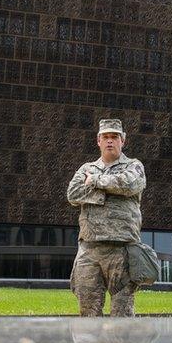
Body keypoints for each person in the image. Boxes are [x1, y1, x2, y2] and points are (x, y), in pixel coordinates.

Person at [66, 118, 146, 317]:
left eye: (114, 136)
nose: (110, 140)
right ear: (98, 141)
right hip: (89, 250)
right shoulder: (86, 168)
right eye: (106, 137)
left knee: (122, 313)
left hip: (122, 249)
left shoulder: (134, 166)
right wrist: (109, 190)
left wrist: (94, 182)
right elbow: (73, 194)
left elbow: (129, 184)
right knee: (88, 312)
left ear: (123, 141)